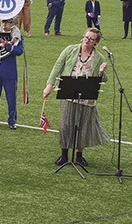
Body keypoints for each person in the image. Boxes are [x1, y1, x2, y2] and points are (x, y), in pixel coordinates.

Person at [42, 28, 109, 168]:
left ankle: (79, 155)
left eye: (91, 39)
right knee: (66, 124)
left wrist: (102, 72)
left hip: (87, 95)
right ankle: (64, 154)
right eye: (86, 37)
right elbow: (57, 67)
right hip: (68, 91)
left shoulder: (99, 58)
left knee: (83, 125)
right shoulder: (70, 50)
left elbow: (105, 79)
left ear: (96, 42)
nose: (87, 40)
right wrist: (49, 85)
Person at [0, 18, 24, 130]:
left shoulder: (16, 36)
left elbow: (19, 51)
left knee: (11, 97)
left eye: (7, 22)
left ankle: (12, 120)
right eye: (3, 22)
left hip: (9, 71)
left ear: (11, 23)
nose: (4, 24)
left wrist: (8, 46)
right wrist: (0, 45)